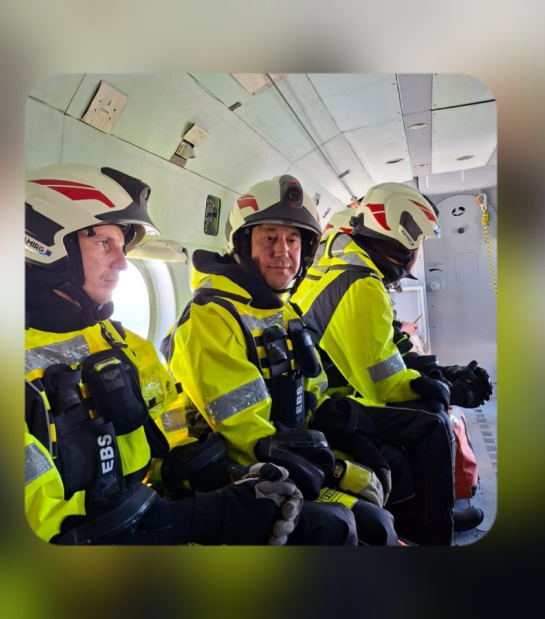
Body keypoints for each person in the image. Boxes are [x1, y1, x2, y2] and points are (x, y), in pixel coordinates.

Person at [23, 163, 325, 545]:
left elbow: (172, 448)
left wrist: (229, 478)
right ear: (46, 246)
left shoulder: (128, 346)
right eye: (103, 243)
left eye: (122, 246)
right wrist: (202, 516)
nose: (122, 262)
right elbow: (47, 526)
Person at [165, 175, 397, 545]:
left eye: (293, 240)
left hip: (288, 451)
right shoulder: (210, 316)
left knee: (384, 495)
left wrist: (354, 440)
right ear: (243, 244)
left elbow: (313, 394)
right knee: (364, 525)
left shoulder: (283, 312)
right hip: (234, 470)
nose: (283, 251)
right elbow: (245, 432)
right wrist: (338, 470)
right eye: (269, 238)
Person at [290, 182, 490, 543]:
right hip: (327, 403)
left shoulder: (343, 265)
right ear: (401, 243)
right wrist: (452, 391)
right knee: (432, 421)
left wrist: (441, 372)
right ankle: (432, 534)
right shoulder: (362, 285)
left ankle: (437, 511)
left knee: (429, 407)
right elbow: (384, 384)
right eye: (418, 244)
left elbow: (386, 346)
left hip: (327, 390)